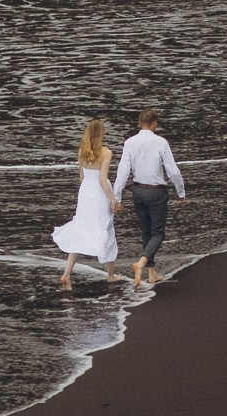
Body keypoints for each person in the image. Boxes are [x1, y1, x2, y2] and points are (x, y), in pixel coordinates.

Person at [112, 107, 186, 287]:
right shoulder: (161, 142)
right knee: (158, 233)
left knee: (146, 232)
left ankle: (151, 273)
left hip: (137, 191)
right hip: (156, 191)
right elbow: (172, 170)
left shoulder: (130, 142)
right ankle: (142, 263)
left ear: (139, 123)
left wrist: (117, 196)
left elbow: (123, 170)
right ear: (154, 123)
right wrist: (181, 191)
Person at [52, 117, 121, 291]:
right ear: (102, 134)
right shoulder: (106, 153)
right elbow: (103, 180)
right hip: (99, 195)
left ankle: (67, 274)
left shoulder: (82, 151)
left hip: (85, 194)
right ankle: (110, 275)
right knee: (106, 229)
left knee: (80, 230)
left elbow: (81, 177)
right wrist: (114, 200)